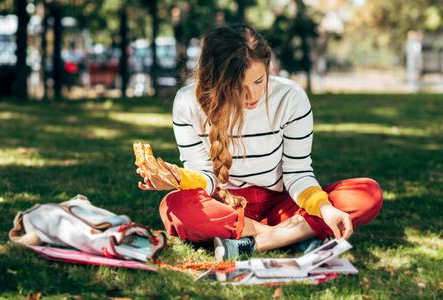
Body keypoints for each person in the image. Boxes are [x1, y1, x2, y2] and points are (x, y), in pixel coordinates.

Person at [136, 24, 383, 261]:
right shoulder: (187, 103)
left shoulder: (290, 97)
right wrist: (178, 178)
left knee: (366, 193)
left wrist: (324, 208)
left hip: (282, 204)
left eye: (259, 81)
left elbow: (297, 173)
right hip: (225, 206)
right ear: (217, 80)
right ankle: (292, 236)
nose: (252, 96)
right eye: (238, 86)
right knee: (174, 206)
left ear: (269, 69)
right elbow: (205, 178)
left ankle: (258, 242)